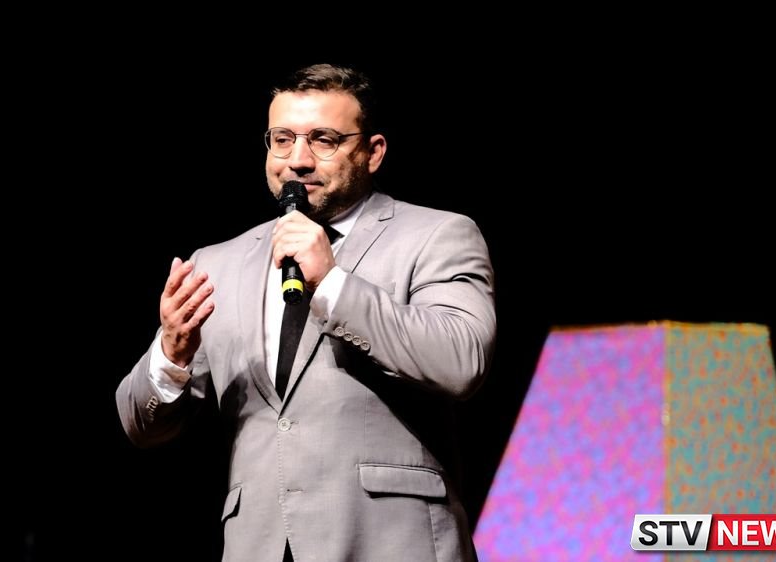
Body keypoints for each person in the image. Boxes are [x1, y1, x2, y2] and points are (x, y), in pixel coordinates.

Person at [116, 63, 496, 562]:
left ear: (373, 152)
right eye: (282, 140)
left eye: (323, 140)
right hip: (261, 546)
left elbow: (461, 360)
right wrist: (171, 354)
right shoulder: (218, 263)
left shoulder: (436, 234)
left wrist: (334, 284)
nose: (298, 160)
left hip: (389, 542)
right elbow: (140, 425)